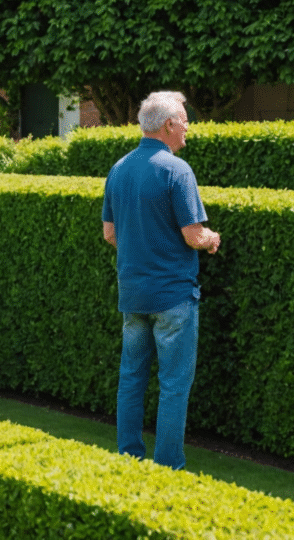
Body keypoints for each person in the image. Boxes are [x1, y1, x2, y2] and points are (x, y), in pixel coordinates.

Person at [101, 91, 221, 470]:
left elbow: (109, 233)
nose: (187, 126)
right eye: (184, 119)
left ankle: (129, 459)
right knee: (173, 385)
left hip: (132, 293)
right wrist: (212, 238)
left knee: (131, 379)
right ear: (169, 125)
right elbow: (193, 235)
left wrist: (140, 247)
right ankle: (169, 467)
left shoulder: (118, 168)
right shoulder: (176, 170)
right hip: (172, 296)